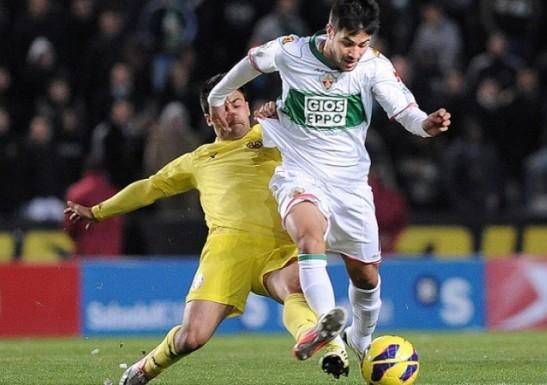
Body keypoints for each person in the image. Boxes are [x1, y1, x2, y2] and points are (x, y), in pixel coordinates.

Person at [65, 74, 350, 385]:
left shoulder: (273, 134)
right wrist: (98, 211)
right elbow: (150, 188)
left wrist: (294, 111)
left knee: (296, 287)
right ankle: (141, 370)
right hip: (227, 253)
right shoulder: (199, 159)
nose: (232, 112)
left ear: (247, 106)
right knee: (192, 337)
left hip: (278, 248)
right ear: (209, 118)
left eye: (237, 103)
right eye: (223, 108)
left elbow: (321, 132)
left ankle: (312, 336)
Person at [208, 0, 450, 363]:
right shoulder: (291, 51)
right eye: (349, 42)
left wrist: (426, 126)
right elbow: (249, 64)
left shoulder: (373, 66)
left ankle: (361, 338)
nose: (355, 52)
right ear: (330, 31)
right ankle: (325, 325)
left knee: (366, 276)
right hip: (299, 173)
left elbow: (405, 111)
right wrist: (216, 97)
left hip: (350, 184)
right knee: (309, 237)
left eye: (363, 44)